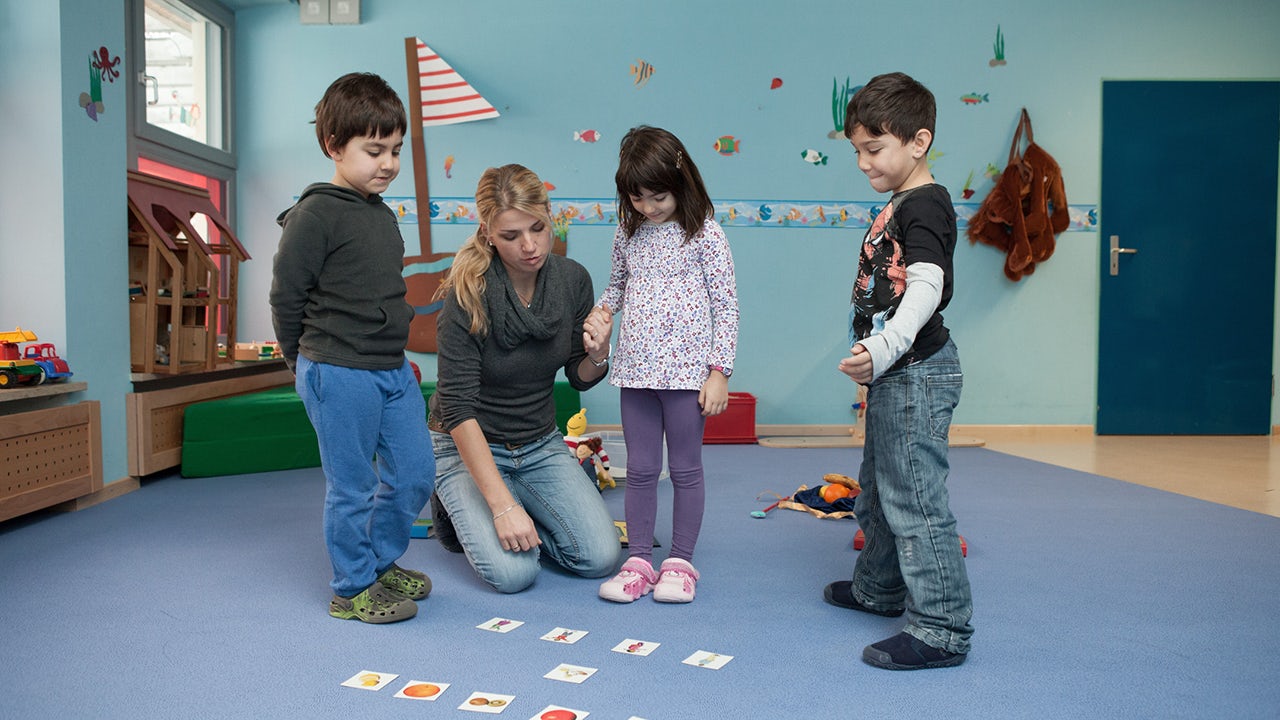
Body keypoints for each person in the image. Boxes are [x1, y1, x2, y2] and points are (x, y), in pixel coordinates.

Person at [269, 72, 435, 624]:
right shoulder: (314, 214)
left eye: (395, 149)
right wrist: (302, 364)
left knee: (414, 473)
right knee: (353, 486)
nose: (387, 162)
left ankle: (379, 563)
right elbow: (286, 295)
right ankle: (351, 586)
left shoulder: (381, 213)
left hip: (391, 370)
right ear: (333, 146)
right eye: (373, 150)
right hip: (337, 369)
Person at [825, 72, 973, 669]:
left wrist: (885, 347)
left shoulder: (927, 203)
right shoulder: (902, 201)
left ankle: (942, 628)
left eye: (874, 148)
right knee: (880, 494)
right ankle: (880, 588)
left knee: (914, 500)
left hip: (917, 374)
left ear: (919, 142)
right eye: (857, 150)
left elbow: (928, 285)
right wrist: (878, 358)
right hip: (896, 374)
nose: (863, 162)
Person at [427, 164, 621, 594]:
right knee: (516, 575)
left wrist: (598, 353)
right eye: (512, 236)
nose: (530, 246)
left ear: (550, 214)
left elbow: (580, 377)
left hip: (537, 442)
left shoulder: (572, 280)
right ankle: (456, 502)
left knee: (600, 558)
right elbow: (457, 410)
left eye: (538, 228)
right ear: (488, 233)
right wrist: (500, 508)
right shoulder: (468, 292)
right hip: (466, 444)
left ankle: (519, 505)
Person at [594, 126, 739, 604]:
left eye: (658, 197)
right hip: (635, 372)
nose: (648, 207)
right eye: (637, 198)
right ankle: (638, 560)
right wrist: (601, 312)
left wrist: (719, 371)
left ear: (682, 183)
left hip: (685, 378)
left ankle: (679, 562)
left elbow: (727, 305)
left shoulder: (705, 233)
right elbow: (616, 287)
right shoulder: (628, 232)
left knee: (685, 469)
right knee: (638, 469)